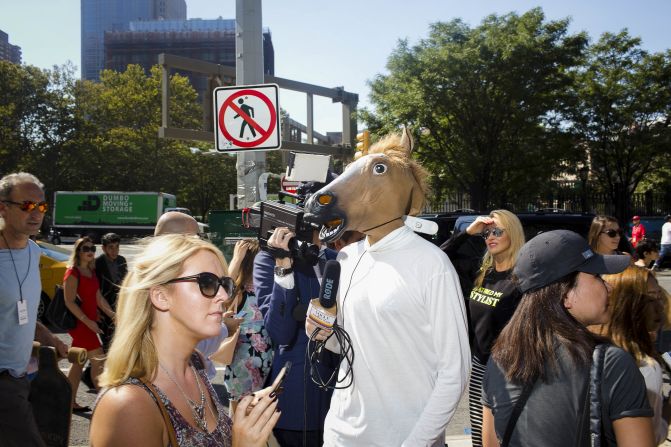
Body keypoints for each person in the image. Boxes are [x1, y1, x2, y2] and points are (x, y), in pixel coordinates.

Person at [90, 234, 279, 446]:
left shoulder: (195, 363)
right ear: (161, 296)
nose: (225, 296)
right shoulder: (128, 406)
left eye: (223, 283)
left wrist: (239, 429)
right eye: (207, 283)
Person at [482, 230, 654, 446]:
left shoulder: (499, 359)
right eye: (597, 276)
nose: (609, 286)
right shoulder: (610, 364)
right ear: (565, 295)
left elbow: (490, 443)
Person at [441, 210, 524, 447]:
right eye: (487, 232)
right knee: (480, 437)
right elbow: (439, 257)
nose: (490, 236)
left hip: (509, 369)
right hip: (479, 367)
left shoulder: (523, 278)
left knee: (505, 437)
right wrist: (467, 232)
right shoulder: (482, 273)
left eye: (497, 231)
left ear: (513, 234)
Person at [0, 172, 68, 446]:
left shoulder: (32, 251)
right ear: (3, 207)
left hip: (23, 375)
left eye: (41, 206)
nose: (36, 213)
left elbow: (21, 311)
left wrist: (49, 339)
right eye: (26, 205)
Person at [254, 227, 339, 446]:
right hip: (298, 401)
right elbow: (280, 332)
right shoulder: (269, 258)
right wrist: (284, 268)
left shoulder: (337, 259)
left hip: (342, 398)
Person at [155, 211, 235, 381]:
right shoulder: (171, 279)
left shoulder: (161, 273)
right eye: (206, 282)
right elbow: (189, 345)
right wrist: (224, 328)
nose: (221, 295)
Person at [602, 266, 670, 445]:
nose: (660, 306)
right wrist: (667, 409)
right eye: (651, 298)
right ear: (627, 305)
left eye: (659, 296)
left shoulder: (587, 348)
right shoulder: (645, 368)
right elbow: (652, 436)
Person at [64, 236, 116, 412]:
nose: (90, 252)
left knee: (77, 364)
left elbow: (97, 297)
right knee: (99, 360)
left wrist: (112, 314)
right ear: (78, 251)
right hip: (81, 325)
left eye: (92, 249)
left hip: (89, 324)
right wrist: (89, 322)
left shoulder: (90, 271)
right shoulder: (73, 272)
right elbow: (69, 302)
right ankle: (105, 403)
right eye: (85, 248)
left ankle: (68, 401)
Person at [224, 239, 273, 415]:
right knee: (240, 416)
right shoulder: (240, 291)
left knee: (254, 416)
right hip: (244, 365)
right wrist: (236, 260)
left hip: (262, 362)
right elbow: (222, 296)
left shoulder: (267, 288)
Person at [95, 232, 127, 350]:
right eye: (111, 247)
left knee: (120, 342)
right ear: (103, 248)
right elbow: (95, 290)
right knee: (108, 344)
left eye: (117, 247)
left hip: (120, 305)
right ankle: (96, 367)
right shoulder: (97, 263)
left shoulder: (121, 260)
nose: (115, 250)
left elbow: (125, 281)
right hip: (104, 308)